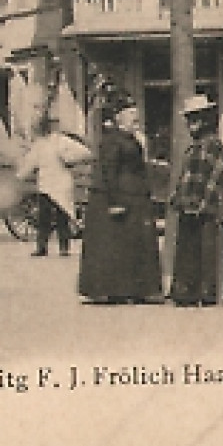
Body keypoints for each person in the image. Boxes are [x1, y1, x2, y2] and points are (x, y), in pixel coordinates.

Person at [79, 94, 163, 304]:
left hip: (135, 197)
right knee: (118, 246)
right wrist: (114, 202)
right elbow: (108, 172)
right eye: (129, 113)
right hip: (121, 197)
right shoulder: (112, 140)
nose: (135, 117)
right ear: (118, 117)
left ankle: (135, 289)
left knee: (133, 244)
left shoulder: (133, 139)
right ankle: (117, 290)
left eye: (136, 113)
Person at [168, 95, 223, 307]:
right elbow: (188, 177)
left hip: (208, 210)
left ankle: (209, 292)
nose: (192, 125)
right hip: (190, 208)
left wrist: (205, 202)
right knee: (190, 250)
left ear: (206, 120)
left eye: (197, 120)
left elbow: (217, 177)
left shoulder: (212, 145)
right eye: (190, 120)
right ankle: (189, 293)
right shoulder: (195, 146)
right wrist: (181, 198)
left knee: (209, 249)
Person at [21, 114, 93, 257]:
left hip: (57, 184)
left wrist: (69, 159)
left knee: (55, 217)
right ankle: (54, 247)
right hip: (49, 185)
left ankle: (53, 247)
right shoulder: (45, 143)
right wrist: (21, 174)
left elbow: (85, 153)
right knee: (53, 218)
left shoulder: (60, 142)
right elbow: (30, 163)